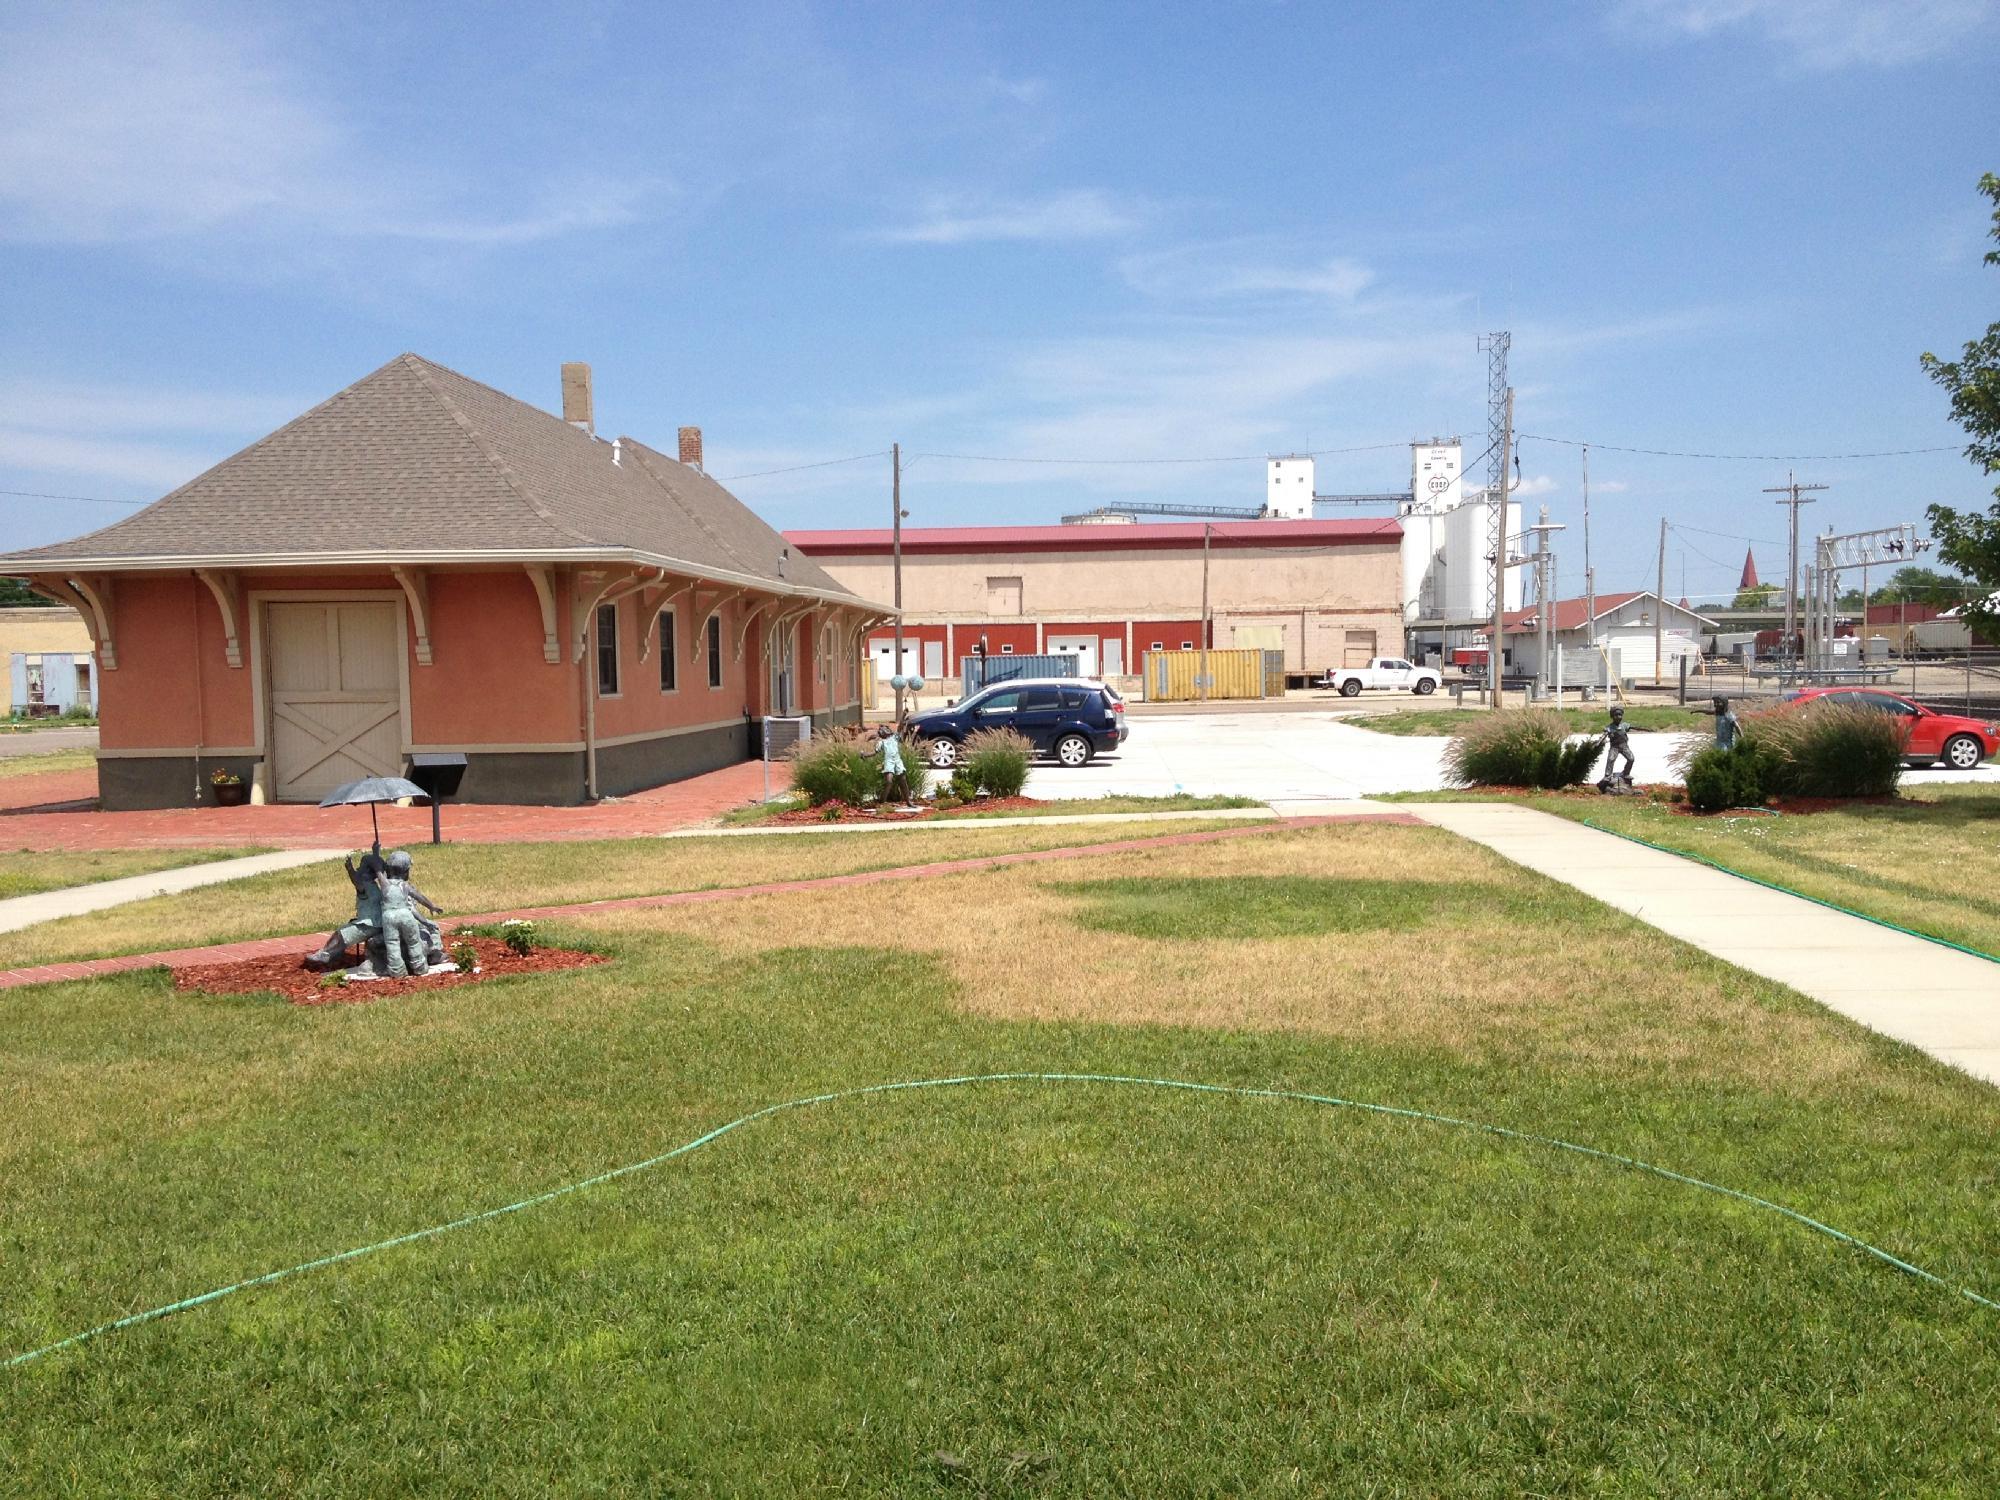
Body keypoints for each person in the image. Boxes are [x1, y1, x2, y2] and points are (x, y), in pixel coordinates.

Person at [303, 847, 388, 972]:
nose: (359, 869)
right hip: (375, 922)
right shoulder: (374, 886)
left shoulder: (364, 886)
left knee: (342, 934)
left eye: (362, 867)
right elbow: (375, 867)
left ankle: (327, 954)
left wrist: (350, 870)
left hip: (369, 925)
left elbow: (356, 881)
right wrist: (375, 852)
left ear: (369, 873)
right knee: (340, 931)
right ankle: (329, 952)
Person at [374, 850, 444, 978]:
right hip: (406, 915)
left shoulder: (384, 884)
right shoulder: (404, 885)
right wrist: (432, 906)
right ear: (406, 872)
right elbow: (419, 897)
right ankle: (420, 967)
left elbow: (378, 868)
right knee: (414, 942)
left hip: (389, 917)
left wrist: (376, 854)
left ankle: (397, 970)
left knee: (392, 943)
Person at [875, 723, 910, 805]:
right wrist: (865, 755)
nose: (887, 730)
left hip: (898, 761)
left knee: (903, 780)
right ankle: (882, 801)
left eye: (887, 729)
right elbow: (875, 752)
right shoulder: (881, 742)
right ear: (881, 733)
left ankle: (908, 801)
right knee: (889, 781)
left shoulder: (894, 737)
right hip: (889, 762)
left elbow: (900, 727)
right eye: (884, 729)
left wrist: (903, 715)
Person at [1603, 705, 1636, 786]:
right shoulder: (1609, 727)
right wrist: (1601, 740)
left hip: (1624, 746)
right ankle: (1608, 775)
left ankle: (1626, 773)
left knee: (1631, 759)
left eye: (1620, 715)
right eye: (1616, 715)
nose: (1618, 717)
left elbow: (1632, 727)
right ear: (1612, 716)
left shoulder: (1624, 725)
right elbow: (1604, 735)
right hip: (1614, 747)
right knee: (1610, 759)